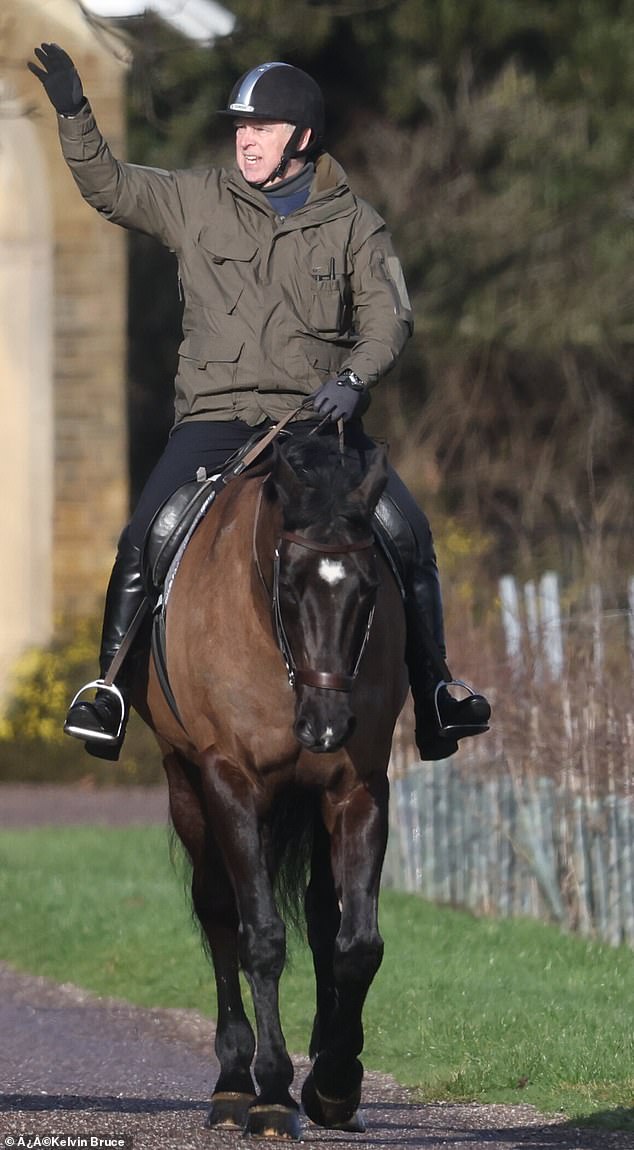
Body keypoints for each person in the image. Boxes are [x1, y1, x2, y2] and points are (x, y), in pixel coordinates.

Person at [28, 45, 491, 762]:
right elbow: (111, 187)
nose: (245, 138)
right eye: (241, 127)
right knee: (143, 535)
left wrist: (355, 379)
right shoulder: (196, 200)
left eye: (263, 127)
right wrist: (73, 112)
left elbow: (389, 319)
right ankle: (109, 691)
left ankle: (436, 691)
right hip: (215, 421)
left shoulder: (354, 224)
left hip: (319, 423)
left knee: (408, 532)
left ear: (301, 138)